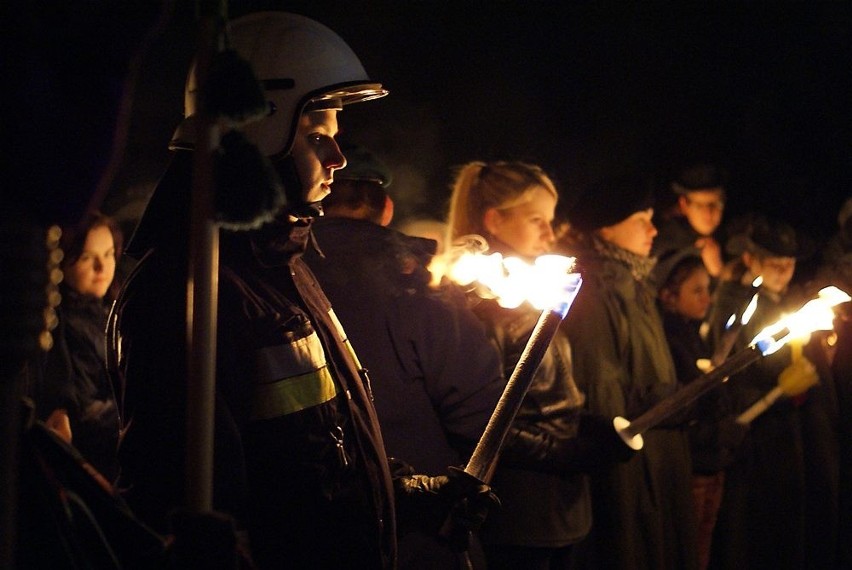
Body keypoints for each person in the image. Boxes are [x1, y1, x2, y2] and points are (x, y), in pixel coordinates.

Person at [111, 11, 495, 569]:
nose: (339, 160)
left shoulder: (281, 267)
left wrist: (406, 494)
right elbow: (176, 498)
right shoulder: (187, 291)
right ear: (258, 132)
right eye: (318, 136)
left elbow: (311, 462)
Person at [303, 144, 506, 569]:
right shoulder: (417, 283)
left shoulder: (277, 272)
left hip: (313, 525)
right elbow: (479, 412)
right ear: (386, 207)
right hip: (418, 528)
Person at [445, 161, 634, 570]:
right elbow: (484, 422)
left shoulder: (535, 295)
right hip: (520, 512)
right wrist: (567, 451)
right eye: (537, 220)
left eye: (551, 220)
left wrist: (586, 425)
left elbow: (549, 395)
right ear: (495, 220)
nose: (551, 233)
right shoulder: (485, 306)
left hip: (558, 509)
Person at [563, 173, 699, 570]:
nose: (654, 229)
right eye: (642, 219)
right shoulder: (594, 291)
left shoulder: (634, 284)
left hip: (658, 456)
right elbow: (603, 392)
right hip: (635, 468)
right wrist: (663, 401)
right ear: (607, 226)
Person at [707, 215, 841, 569]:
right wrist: (776, 390)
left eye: (789, 263)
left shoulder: (797, 301)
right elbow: (728, 369)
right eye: (774, 263)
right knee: (764, 526)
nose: (783, 271)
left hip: (802, 429)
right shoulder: (736, 304)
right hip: (763, 438)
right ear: (752, 261)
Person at [656, 253, 746, 570]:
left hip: (711, 461)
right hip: (693, 466)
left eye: (708, 288)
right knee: (689, 551)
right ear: (669, 295)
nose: (707, 298)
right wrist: (716, 432)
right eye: (696, 290)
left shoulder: (693, 333)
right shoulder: (670, 339)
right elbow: (679, 407)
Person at [30, 212, 124, 483]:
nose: (102, 267)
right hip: (94, 464)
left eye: (108, 254)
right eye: (86, 257)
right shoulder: (58, 324)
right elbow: (83, 412)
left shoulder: (112, 312)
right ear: (64, 260)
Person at [652, 163, 728, 285]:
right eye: (699, 206)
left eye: (715, 204)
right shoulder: (661, 243)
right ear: (684, 205)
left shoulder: (728, 239)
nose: (708, 214)